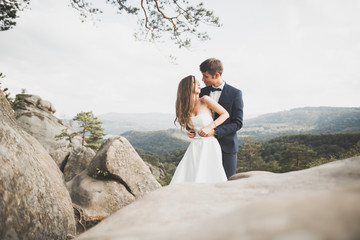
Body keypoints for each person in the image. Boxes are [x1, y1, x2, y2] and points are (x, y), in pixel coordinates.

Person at [189, 58, 244, 179]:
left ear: (217, 75)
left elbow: (238, 123)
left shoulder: (235, 93)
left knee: (227, 181)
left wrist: (215, 132)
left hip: (227, 147)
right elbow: (195, 114)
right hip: (204, 147)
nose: (202, 79)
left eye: (205, 76)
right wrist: (191, 129)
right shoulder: (201, 92)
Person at [170, 75, 229, 184]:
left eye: (198, 82)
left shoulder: (205, 100)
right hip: (194, 147)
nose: (198, 84)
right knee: (189, 176)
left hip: (209, 145)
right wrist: (190, 131)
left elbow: (225, 114)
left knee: (209, 176)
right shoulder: (185, 107)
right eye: (194, 82)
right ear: (186, 87)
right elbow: (191, 126)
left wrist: (210, 127)